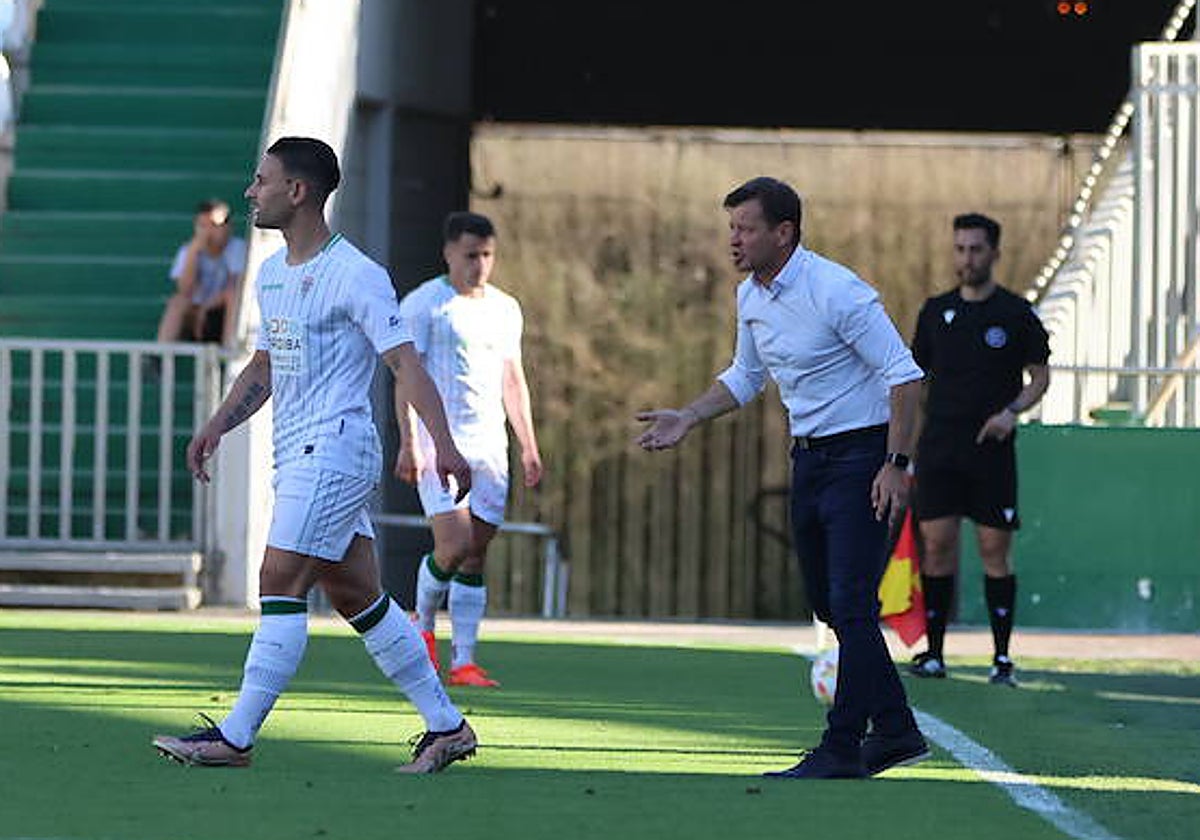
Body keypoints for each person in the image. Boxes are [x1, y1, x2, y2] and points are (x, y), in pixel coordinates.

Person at [152, 137, 478, 773]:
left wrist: (445, 446)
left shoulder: (356, 274)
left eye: (262, 180)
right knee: (358, 595)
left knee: (278, 583)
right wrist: (217, 423)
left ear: (296, 191)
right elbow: (270, 364)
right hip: (297, 454)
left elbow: (404, 364)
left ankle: (235, 737)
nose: (251, 191)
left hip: (335, 449)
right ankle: (447, 727)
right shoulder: (272, 274)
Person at [637, 176, 929, 779]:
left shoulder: (839, 292)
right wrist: (687, 416)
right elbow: (746, 376)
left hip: (863, 458)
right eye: (732, 228)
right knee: (829, 603)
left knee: (851, 603)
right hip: (810, 462)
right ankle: (897, 731)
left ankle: (843, 745)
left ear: (784, 232)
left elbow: (906, 377)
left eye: (745, 228)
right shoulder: (751, 296)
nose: (734, 240)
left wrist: (896, 466)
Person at [397, 211, 543, 688]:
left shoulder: (505, 308)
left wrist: (528, 446)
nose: (478, 265)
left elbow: (512, 379)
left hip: (489, 445)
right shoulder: (425, 305)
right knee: (453, 545)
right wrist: (407, 442)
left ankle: (464, 661)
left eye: (486, 255)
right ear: (448, 254)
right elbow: (407, 376)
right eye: (470, 255)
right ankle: (421, 627)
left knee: (477, 553)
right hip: (438, 442)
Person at [908, 213, 1050, 687]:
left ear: (994, 253)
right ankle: (935, 653)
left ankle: (1002, 657)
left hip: (991, 450)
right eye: (960, 249)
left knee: (993, 548)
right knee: (937, 545)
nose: (966, 258)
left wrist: (1011, 411)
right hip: (940, 447)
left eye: (976, 249)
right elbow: (912, 379)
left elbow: (1040, 378)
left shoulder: (1015, 313)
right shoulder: (935, 312)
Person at [155, 199, 247, 345]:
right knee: (177, 302)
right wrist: (193, 253)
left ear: (228, 227)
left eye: (214, 225)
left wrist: (206, 307)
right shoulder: (188, 250)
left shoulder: (238, 248)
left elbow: (236, 287)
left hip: (222, 316)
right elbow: (184, 290)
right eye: (203, 226)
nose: (208, 231)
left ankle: (230, 353)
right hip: (195, 317)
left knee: (233, 296)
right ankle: (158, 357)